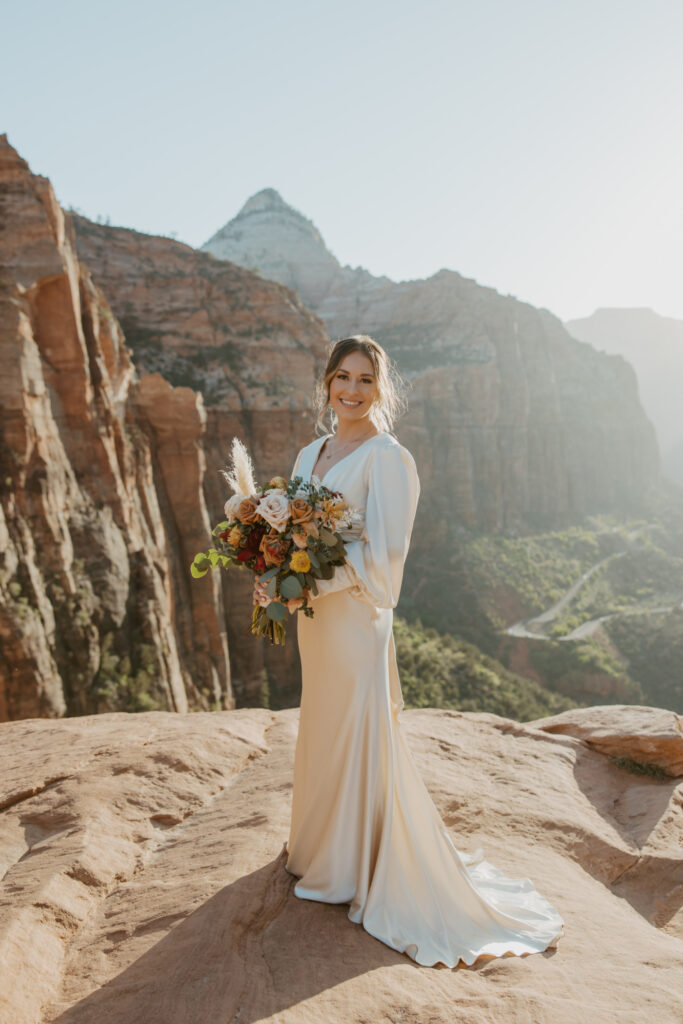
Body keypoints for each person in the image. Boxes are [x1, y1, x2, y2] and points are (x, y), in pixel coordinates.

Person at [283, 334, 565, 968]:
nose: (351, 391)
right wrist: (276, 568)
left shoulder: (389, 457)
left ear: (381, 390)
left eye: (365, 381)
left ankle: (352, 868)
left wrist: (311, 572)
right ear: (326, 381)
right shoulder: (311, 451)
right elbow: (292, 528)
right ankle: (319, 848)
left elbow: (385, 562)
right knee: (323, 726)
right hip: (313, 619)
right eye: (343, 377)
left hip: (355, 619)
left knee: (356, 728)